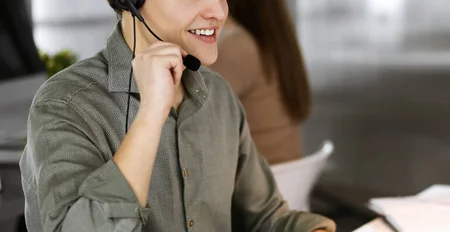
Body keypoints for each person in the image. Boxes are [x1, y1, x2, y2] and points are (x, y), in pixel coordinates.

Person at [18, 0, 335, 231]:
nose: (219, 11)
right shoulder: (66, 105)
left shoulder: (218, 96)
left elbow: (265, 218)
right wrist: (151, 113)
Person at [208, 0, 311, 165]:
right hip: (287, 180)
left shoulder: (238, 48)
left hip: (259, 182)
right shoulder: (277, 43)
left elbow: (192, 117)